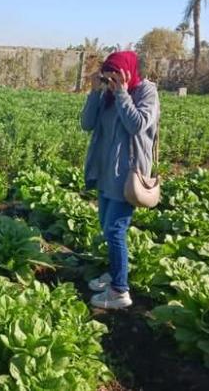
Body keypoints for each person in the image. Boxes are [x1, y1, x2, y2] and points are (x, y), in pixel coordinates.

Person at [79, 51, 159, 310]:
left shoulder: (146, 92)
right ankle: (114, 274)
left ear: (128, 72)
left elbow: (137, 125)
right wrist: (94, 93)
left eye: (115, 75)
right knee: (106, 226)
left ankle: (119, 291)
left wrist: (124, 93)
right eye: (107, 75)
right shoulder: (108, 95)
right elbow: (87, 124)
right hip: (104, 172)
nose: (111, 80)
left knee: (115, 230)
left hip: (127, 175)